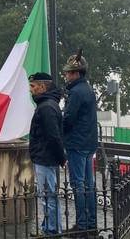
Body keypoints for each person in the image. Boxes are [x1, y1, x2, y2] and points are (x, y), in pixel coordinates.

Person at [63, 51, 98, 236]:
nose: (66, 75)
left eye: (69, 72)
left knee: (78, 185)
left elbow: (69, 119)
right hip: (88, 143)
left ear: (76, 73)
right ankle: (91, 223)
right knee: (88, 184)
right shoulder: (89, 89)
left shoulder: (76, 92)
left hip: (76, 143)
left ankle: (82, 226)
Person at [28, 72, 66, 237]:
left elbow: (53, 136)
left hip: (45, 157)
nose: (31, 89)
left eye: (33, 86)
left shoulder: (47, 107)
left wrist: (61, 158)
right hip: (44, 155)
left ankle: (52, 230)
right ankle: (48, 227)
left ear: (43, 87)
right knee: (46, 195)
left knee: (48, 195)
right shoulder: (47, 105)